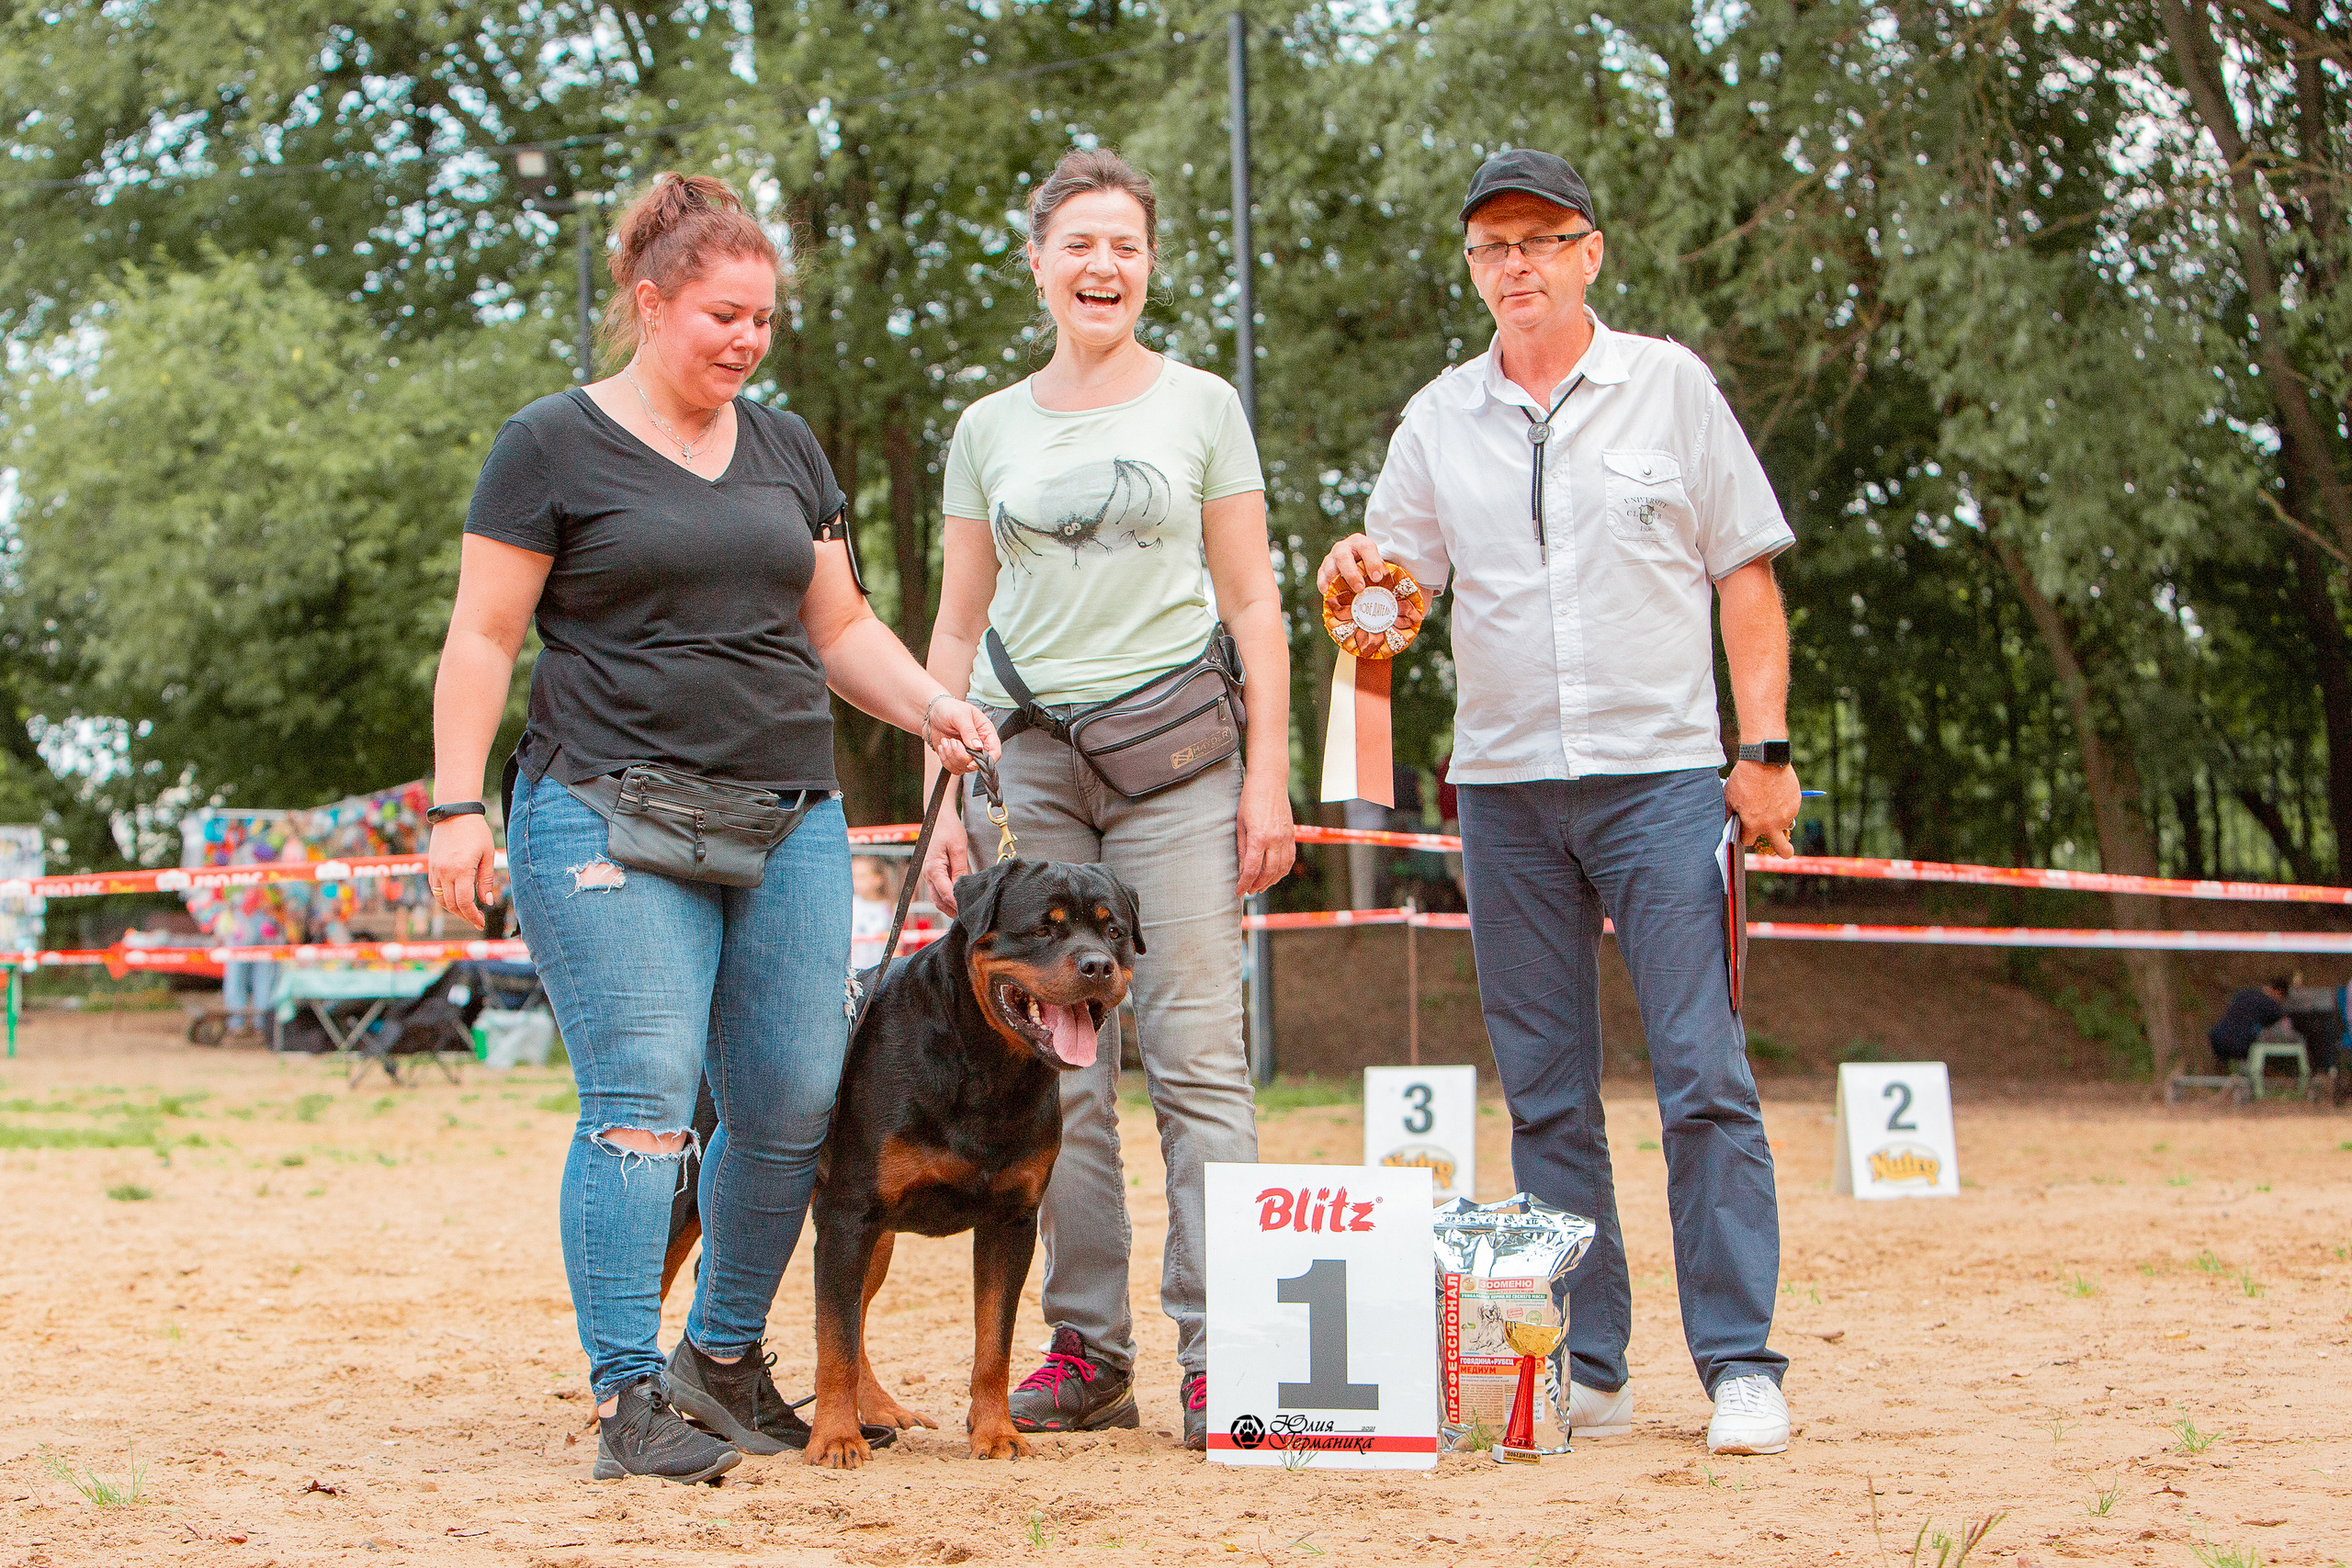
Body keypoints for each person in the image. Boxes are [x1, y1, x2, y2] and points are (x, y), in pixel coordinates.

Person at [425, 172, 997, 1484]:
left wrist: (933, 707)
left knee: (793, 1101)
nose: (745, 340)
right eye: (721, 316)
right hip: (604, 810)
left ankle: (722, 1358)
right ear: (648, 303)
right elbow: (483, 634)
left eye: (764, 319)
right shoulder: (549, 444)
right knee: (640, 1102)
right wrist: (457, 806)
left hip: (786, 811)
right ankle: (630, 1390)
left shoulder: (786, 447)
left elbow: (839, 626)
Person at [1317, 150, 1801, 1456]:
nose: (1516, 263)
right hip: (1506, 796)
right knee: (1544, 1093)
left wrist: (1765, 749)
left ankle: (1742, 1363)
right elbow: (1389, 605)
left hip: (1662, 785)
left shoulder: (1673, 387)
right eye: (1491, 246)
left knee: (1703, 1073)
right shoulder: (1436, 418)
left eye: (1541, 237)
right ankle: (1586, 1361)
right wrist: (1355, 571)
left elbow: (1747, 582)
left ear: (1593, 251)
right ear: (1472, 269)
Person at [918, 148, 1295, 1451]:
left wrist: (1271, 778)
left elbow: (1253, 603)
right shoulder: (987, 429)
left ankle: (1226, 1349)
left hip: (1182, 767)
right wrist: (940, 791)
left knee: (1197, 1061)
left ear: (1150, 263)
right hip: (1031, 772)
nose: (1102, 265)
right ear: (1038, 263)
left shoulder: (1201, 403)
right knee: (1060, 1072)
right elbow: (956, 623)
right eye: (1078, 242)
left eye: (1125, 244)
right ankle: (1089, 1348)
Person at [2208, 973, 2295, 1066]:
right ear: (2279, 992)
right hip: (2239, 1043)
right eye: (2281, 999)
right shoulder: (2271, 1004)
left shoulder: (2244, 993)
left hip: (2217, 1036)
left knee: (2224, 1070)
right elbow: (2285, 1028)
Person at [847, 855, 897, 971]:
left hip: (879, 969)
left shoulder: (889, 907)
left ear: (877, 879)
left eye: (861, 877)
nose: (855, 882)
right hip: (854, 969)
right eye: (853, 876)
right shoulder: (851, 903)